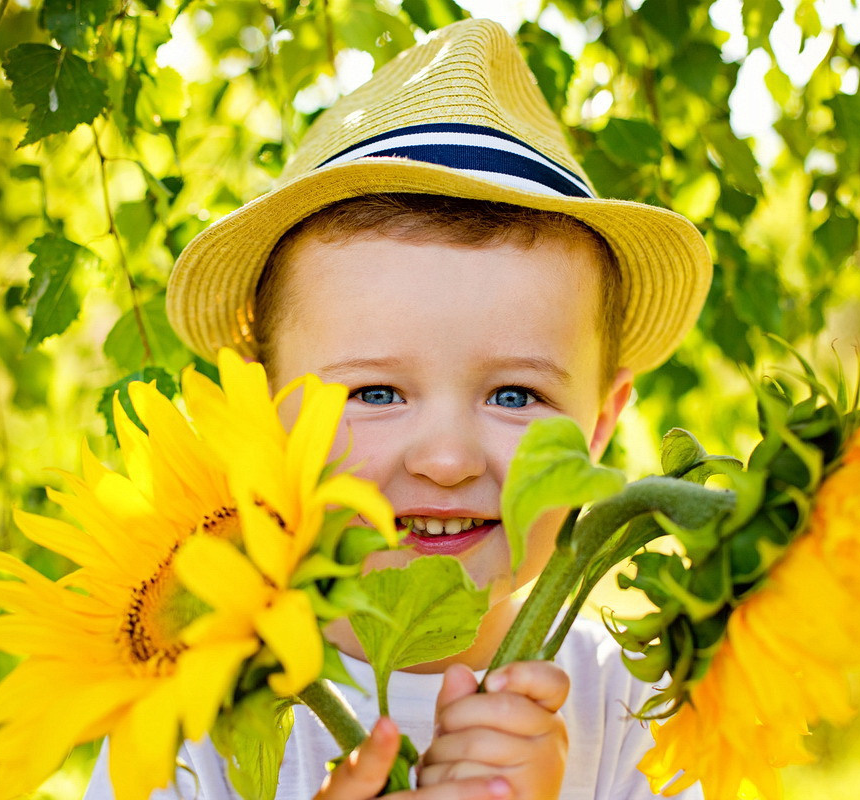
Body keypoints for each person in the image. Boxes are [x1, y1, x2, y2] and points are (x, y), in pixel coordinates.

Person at [86, 16, 710, 800]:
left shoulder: (636, 712)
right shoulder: (189, 707)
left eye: (515, 394)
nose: (446, 460)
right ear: (263, 412)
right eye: (375, 394)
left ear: (599, 424)